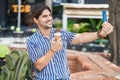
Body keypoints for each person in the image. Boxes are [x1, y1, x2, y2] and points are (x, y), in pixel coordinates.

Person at [27, 4, 113, 80]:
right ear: (36, 20)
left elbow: (80, 37)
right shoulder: (32, 40)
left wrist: (99, 34)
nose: (49, 18)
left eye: (50, 15)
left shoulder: (60, 33)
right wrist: (52, 50)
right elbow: (38, 66)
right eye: (44, 16)